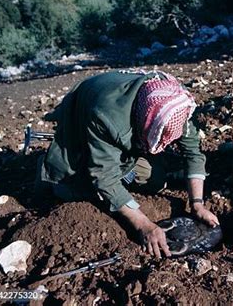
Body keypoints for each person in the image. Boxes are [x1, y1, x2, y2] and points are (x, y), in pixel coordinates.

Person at [36, 70, 219, 258]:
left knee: (154, 181)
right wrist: (143, 224)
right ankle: (49, 161)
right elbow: (104, 177)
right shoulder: (104, 116)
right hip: (86, 108)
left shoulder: (177, 106)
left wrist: (197, 204)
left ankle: (122, 171)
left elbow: (193, 154)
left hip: (130, 120)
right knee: (72, 191)